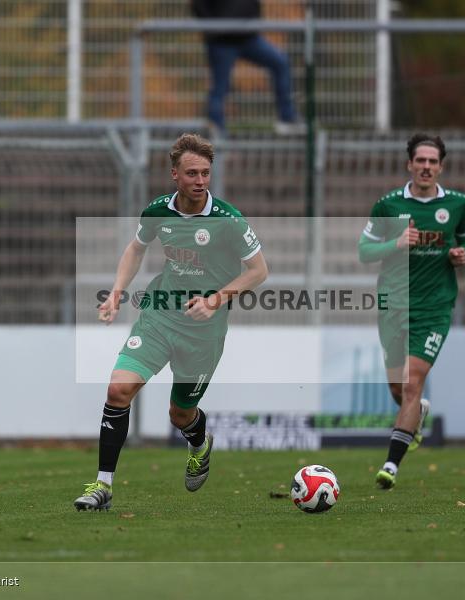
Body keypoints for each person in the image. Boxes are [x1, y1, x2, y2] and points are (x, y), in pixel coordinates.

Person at [74, 133, 268, 511]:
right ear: (174, 174)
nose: (200, 181)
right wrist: (116, 291)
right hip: (160, 315)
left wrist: (214, 301)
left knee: (180, 414)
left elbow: (259, 271)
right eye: (192, 173)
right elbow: (136, 248)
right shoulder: (157, 211)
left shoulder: (228, 220)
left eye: (205, 173)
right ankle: (103, 486)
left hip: (204, 332)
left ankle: (199, 443)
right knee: (118, 390)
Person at [358, 133, 465, 490]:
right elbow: (364, 251)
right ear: (409, 164)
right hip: (393, 304)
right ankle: (418, 412)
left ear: (441, 166)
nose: (426, 166)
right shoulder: (388, 205)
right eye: (420, 160)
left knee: (412, 383)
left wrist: (463, 255)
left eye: (432, 161)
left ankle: (390, 465)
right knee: (399, 390)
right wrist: (396, 243)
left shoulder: (457, 205)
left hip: (435, 307)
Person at [191, 0, 303, 135]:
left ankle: (287, 117)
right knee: (220, 87)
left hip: (248, 38)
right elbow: (198, 5)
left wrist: (254, 19)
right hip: (221, 42)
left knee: (280, 63)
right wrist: (213, 29)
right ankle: (217, 133)